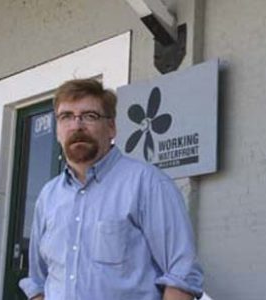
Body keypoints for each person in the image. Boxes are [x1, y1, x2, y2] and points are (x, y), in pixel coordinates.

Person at [19, 78, 203, 300]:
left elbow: (181, 275)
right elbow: (38, 281)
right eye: (66, 116)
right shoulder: (48, 197)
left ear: (111, 128)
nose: (77, 125)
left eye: (90, 116)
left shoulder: (147, 183)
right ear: (58, 130)